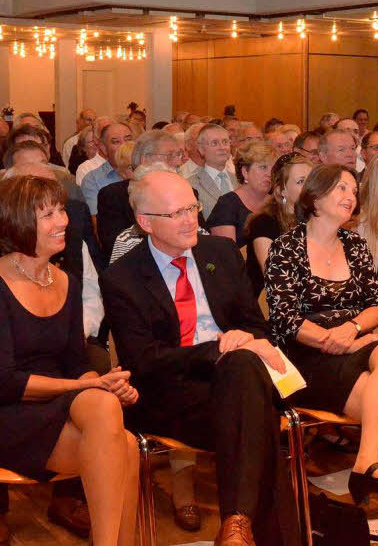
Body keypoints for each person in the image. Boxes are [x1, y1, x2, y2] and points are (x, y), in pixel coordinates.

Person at [103, 169, 293, 546]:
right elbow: (144, 362)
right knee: (257, 414)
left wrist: (244, 340)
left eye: (193, 207)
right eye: (177, 213)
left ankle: (237, 525)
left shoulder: (219, 253)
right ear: (146, 223)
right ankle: (260, 529)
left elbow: (257, 328)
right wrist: (219, 349)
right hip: (171, 395)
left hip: (238, 382)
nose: (191, 219)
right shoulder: (121, 278)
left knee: (243, 377)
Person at [0, 175, 139, 546]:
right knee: (122, 445)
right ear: (18, 222)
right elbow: (3, 383)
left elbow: (76, 362)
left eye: (61, 210)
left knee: (121, 433)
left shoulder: (65, 281)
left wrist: (107, 383)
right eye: (48, 215)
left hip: (54, 404)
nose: (63, 221)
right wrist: (86, 384)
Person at [264, 164, 378, 546]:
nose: (350, 196)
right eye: (341, 188)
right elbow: (285, 319)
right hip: (305, 360)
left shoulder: (354, 245)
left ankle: (365, 461)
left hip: (355, 344)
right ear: (315, 197)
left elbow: (377, 307)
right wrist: (330, 340)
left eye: (353, 189)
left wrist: (352, 331)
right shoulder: (286, 247)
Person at [97, 130, 184, 264]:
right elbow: (114, 248)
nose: (178, 162)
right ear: (145, 160)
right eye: (170, 155)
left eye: (179, 155)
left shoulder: (188, 192)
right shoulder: (114, 196)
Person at [245, 152, 313, 294]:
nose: (309, 188)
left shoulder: (317, 219)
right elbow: (275, 279)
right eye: (301, 182)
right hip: (272, 302)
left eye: (311, 180)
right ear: (281, 191)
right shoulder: (263, 224)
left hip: (313, 297)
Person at [208, 139, 274, 246]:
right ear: (245, 172)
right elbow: (227, 255)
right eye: (263, 167)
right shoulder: (226, 205)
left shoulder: (277, 202)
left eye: (273, 168)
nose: (269, 174)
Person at [82, 122, 134, 215]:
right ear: (103, 148)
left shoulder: (148, 172)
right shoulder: (93, 179)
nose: (124, 146)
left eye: (128, 140)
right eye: (116, 142)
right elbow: (97, 222)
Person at [190, 123, 236, 222]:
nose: (222, 147)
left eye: (225, 142)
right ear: (201, 150)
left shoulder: (240, 181)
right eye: (215, 143)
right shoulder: (191, 184)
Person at [76, 117, 114, 185]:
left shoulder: (125, 164)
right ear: (96, 139)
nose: (109, 138)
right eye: (104, 133)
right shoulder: (86, 168)